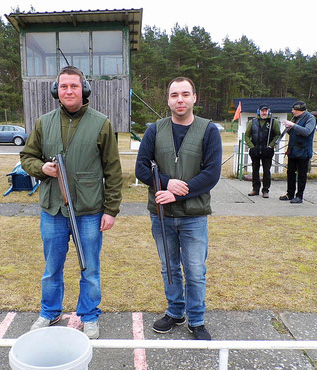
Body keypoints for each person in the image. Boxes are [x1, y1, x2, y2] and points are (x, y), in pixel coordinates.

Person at [21, 66, 123, 339]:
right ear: (57, 90)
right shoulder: (44, 123)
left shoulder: (101, 123)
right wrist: (42, 169)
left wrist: (111, 210)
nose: (68, 91)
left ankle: (89, 316)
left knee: (89, 267)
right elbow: (26, 157)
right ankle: (50, 311)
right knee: (51, 267)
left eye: (74, 86)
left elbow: (113, 170)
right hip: (53, 209)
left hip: (89, 211)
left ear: (84, 89)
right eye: (63, 86)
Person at [135, 77, 222, 340]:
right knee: (169, 267)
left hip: (194, 216)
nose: (180, 99)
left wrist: (178, 193)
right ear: (168, 99)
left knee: (195, 270)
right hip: (161, 215)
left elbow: (212, 173)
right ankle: (175, 312)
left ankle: (197, 320)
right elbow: (141, 168)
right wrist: (164, 183)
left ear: (195, 97)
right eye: (174, 95)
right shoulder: (155, 130)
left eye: (185, 94)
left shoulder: (208, 130)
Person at [279, 101, 316, 204]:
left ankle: (299, 196)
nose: (292, 111)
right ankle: (290, 194)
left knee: (301, 175)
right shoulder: (295, 118)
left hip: (303, 151)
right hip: (293, 150)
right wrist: (289, 127)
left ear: (300, 110)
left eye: (294, 110)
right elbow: (292, 133)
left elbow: (307, 131)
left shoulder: (310, 118)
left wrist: (293, 125)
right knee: (290, 173)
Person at [244, 104, 280, 198]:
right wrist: (251, 146)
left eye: (266, 110)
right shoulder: (252, 122)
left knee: (266, 171)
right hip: (255, 150)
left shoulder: (273, 122)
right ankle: (255, 189)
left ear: (268, 111)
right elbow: (247, 136)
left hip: (267, 151)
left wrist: (271, 146)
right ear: (259, 111)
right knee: (255, 171)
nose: (264, 112)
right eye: (262, 111)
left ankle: (265, 190)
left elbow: (277, 135)